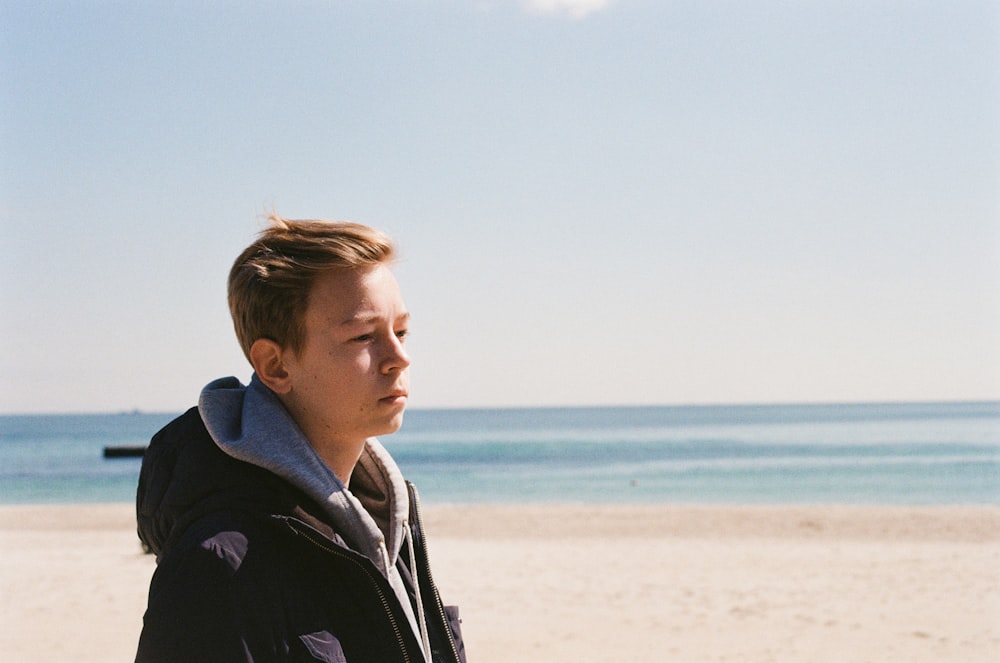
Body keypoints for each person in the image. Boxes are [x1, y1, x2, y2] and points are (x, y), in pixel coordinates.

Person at [135, 215, 466, 663]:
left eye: (401, 331)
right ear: (275, 366)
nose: (399, 358)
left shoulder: (387, 524)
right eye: (364, 336)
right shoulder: (218, 568)